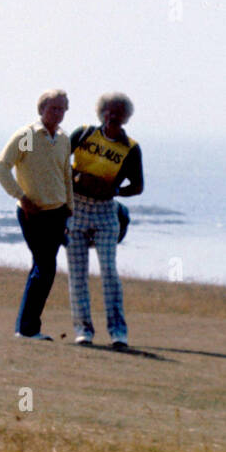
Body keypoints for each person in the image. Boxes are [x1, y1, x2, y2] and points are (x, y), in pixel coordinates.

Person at [0, 90, 74, 341]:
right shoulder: (28, 135)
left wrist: (69, 210)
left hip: (57, 213)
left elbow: (66, 177)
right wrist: (22, 197)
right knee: (45, 267)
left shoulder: (62, 139)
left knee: (42, 267)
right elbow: (2, 168)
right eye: (53, 108)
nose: (58, 113)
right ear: (41, 110)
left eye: (62, 109)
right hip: (33, 214)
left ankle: (27, 327)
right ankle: (28, 329)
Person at [66, 92, 143, 349]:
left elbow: (138, 185)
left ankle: (118, 332)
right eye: (109, 111)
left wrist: (116, 190)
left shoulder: (130, 148)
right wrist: (76, 178)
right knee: (77, 274)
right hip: (76, 209)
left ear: (126, 118)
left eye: (119, 113)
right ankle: (83, 330)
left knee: (109, 272)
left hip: (106, 211)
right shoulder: (84, 134)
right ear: (101, 112)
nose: (113, 116)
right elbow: (59, 161)